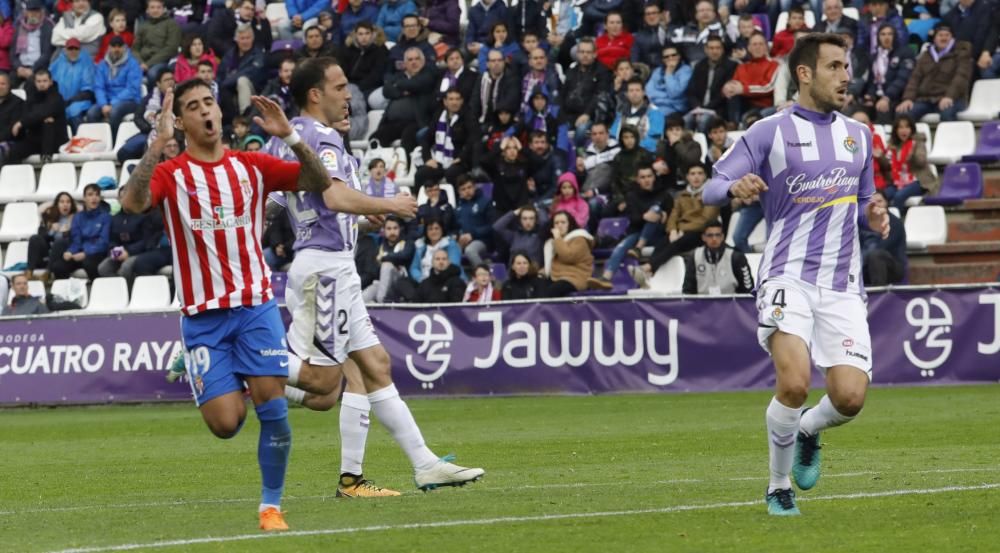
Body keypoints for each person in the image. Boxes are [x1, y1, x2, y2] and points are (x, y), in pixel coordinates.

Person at [258, 58, 482, 496]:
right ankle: (235, 362)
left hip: (331, 261)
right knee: (324, 384)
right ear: (315, 95)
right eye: (340, 87)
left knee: (372, 366)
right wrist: (388, 205)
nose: (349, 95)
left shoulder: (292, 142)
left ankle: (408, 467)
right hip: (325, 270)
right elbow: (334, 195)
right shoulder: (319, 140)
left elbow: (295, 208)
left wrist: (360, 223)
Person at [122, 76, 338, 531]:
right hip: (202, 319)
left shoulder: (252, 166)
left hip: (254, 305)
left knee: (274, 413)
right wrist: (156, 144)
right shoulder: (171, 174)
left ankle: (270, 507)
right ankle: (254, 377)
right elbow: (132, 202)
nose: (205, 111)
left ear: (220, 112)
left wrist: (291, 137)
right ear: (181, 122)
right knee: (225, 425)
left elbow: (319, 181)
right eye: (194, 107)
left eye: (210, 103)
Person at [702, 33, 890, 515]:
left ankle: (807, 429)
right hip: (788, 275)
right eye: (834, 67)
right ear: (804, 73)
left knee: (849, 398)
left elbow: (868, 197)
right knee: (794, 382)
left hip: (843, 283)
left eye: (847, 66)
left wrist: (875, 212)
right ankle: (778, 485)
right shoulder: (770, 131)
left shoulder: (858, 135)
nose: (846, 76)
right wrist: (734, 186)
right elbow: (709, 187)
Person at [631, 162, 719, 287]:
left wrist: (681, 230)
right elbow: (673, 215)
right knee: (662, 243)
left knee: (678, 243)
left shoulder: (711, 194)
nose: (696, 177)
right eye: (692, 174)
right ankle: (649, 276)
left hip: (701, 233)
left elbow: (706, 220)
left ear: (705, 176)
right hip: (681, 232)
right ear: (687, 177)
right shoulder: (681, 195)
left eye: (700, 173)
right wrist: (672, 230)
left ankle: (647, 268)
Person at [601, 165, 671, 282]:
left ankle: (639, 248)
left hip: (658, 234)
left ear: (654, 177)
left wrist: (662, 215)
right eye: (643, 177)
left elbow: (671, 215)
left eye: (649, 176)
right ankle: (606, 277)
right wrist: (645, 217)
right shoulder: (632, 196)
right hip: (638, 233)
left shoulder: (664, 195)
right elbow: (634, 219)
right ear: (638, 180)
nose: (646, 180)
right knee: (621, 246)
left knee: (655, 209)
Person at [896, 21, 972, 123]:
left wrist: (949, 96)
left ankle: (950, 138)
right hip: (926, 100)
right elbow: (915, 78)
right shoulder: (926, 55)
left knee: (947, 113)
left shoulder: (961, 53)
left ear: (952, 38)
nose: (943, 38)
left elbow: (961, 77)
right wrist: (908, 99)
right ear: (935, 38)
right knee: (903, 114)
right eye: (940, 35)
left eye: (947, 35)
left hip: (953, 98)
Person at [5, 69, 68, 164]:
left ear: (50, 82)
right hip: (35, 138)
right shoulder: (31, 97)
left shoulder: (57, 98)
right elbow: (28, 114)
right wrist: (37, 118)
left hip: (55, 141)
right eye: (39, 81)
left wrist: (22, 122)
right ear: (35, 82)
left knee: (48, 124)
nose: (41, 84)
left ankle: (47, 159)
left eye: (44, 81)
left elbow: (43, 112)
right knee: (14, 151)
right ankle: (17, 177)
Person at [50, 183, 111, 280]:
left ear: (100, 198)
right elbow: (76, 240)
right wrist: (70, 251)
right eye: (90, 195)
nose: (94, 198)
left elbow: (103, 243)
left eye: (97, 195)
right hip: (79, 253)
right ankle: (66, 293)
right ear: (84, 198)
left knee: (88, 263)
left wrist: (86, 253)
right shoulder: (78, 217)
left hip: (97, 253)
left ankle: (95, 291)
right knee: (58, 267)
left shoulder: (106, 217)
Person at [415, 88, 473, 188]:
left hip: (459, 161)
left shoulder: (468, 117)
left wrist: (461, 157)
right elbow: (426, 138)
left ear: (462, 101)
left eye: (457, 99)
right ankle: (416, 200)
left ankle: (458, 202)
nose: (454, 102)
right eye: (451, 99)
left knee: (452, 173)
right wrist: (428, 158)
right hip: (439, 160)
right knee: (421, 174)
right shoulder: (439, 115)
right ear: (445, 102)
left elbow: (473, 140)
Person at [88, 36, 142, 139]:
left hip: (130, 101)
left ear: (124, 47)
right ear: (109, 47)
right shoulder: (102, 65)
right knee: (91, 113)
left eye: (119, 46)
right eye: (113, 46)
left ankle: (114, 142)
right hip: (107, 101)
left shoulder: (133, 64)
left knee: (115, 111)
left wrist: (112, 103)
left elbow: (132, 89)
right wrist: (103, 104)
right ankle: (98, 142)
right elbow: (99, 87)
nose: (116, 49)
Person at [858, 24, 914, 125]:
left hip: (895, 98)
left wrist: (887, 97)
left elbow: (902, 79)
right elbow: (872, 80)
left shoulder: (905, 53)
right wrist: (870, 96)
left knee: (882, 109)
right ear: (878, 37)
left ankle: (882, 140)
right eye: (883, 34)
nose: (886, 37)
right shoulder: (874, 56)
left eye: (890, 34)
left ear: (895, 36)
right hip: (877, 97)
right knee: (858, 112)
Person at [681, 221, 754, 294]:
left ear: (722, 237)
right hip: (702, 303)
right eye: (710, 235)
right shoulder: (694, 256)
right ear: (703, 237)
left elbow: (748, 290)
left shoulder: (736, 257)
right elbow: (688, 290)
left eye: (717, 235)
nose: (714, 239)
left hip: (730, 303)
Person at [723, 31, 778, 127]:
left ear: (766, 47)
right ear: (748, 48)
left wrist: (743, 89)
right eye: (754, 44)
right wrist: (727, 88)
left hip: (763, 106)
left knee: (748, 116)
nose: (758, 47)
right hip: (743, 104)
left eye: (761, 44)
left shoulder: (774, 65)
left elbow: (768, 87)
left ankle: (735, 125)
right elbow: (734, 85)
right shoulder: (741, 67)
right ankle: (733, 125)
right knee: (732, 96)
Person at [684, 35, 737, 133]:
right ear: (706, 50)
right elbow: (690, 91)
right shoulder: (699, 66)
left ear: (722, 50)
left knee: (704, 121)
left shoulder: (731, 66)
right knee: (685, 120)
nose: (714, 51)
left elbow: (724, 94)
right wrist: (698, 107)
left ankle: (704, 147)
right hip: (698, 108)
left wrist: (705, 109)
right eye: (711, 48)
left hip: (718, 109)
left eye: (718, 48)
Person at [886, 114, 938, 212]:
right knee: (884, 195)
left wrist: (912, 155)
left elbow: (921, 162)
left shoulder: (918, 143)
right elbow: (888, 166)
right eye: (900, 127)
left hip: (918, 181)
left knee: (899, 196)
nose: (904, 130)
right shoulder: (893, 146)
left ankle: (896, 224)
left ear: (912, 129)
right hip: (898, 182)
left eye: (907, 127)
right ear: (896, 130)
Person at [98, 187, 150, 282]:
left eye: (128, 197)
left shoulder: (143, 216)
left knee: (126, 267)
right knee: (103, 268)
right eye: (122, 197)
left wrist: (129, 251)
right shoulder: (115, 218)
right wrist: (114, 250)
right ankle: (118, 290)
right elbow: (112, 239)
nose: (125, 200)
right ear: (118, 200)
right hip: (120, 253)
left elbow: (146, 240)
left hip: (138, 253)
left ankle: (128, 292)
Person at [542, 210, 598, 296]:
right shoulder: (552, 242)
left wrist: (557, 238)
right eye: (556, 223)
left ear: (569, 224)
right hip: (558, 277)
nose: (559, 225)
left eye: (563, 222)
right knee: (538, 285)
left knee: (553, 290)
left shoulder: (579, 238)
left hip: (576, 277)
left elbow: (568, 257)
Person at [218, 24, 267, 123]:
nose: (245, 41)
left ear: (252, 38)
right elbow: (220, 73)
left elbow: (250, 73)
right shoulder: (230, 54)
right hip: (229, 91)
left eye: (248, 38)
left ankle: (245, 118)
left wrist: (226, 82)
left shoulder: (258, 55)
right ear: (236, 39)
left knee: (242, 81)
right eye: (242, 38)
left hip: (254, 93)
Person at [362, 215, 414, 303]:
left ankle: (381, 300)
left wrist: (384, 258)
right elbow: (373, 269)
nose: (392, 232)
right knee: (364, 297)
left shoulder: (407, 243)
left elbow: (404, 256)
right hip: (381, 282)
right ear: (384, 230)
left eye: (395, 228)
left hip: (400, 282)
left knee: (386, 266)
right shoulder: (380, 246)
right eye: (389, 229)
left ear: (400, 229)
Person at [860, 190, 907, 285]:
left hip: (892, 267)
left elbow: (882, 247)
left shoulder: (895, 223)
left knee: (875, 255)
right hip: (865, 266)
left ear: (886, 203)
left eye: (879, 201)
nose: (876, 204)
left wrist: (860, 262)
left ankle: (878, 295)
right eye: (872, 202)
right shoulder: (862, 224)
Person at [131, 0, 181, 86]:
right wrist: (141, 63)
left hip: (163, 62)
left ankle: (152, 98)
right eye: (152, 7)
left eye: (158, 7)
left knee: (152, 74)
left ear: (163, 9)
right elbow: (135, 49)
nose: (155, 10)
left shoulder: (171, 24)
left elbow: (171, 49)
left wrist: (148, 64)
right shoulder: (143, 26)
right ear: (148, 10)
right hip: (142, 61)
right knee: (126, 73)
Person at [49, 37, 94, 131]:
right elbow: (49, 81)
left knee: (74, 112)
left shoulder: (87, 63)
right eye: (70, 48)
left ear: (80, 49)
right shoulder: (58, 62)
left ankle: (80, 137)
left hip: (79, 101)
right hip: (60, 100)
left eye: (76, 48)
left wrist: (70, 101)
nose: (73, 51)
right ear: (65, 49)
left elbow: (88, 90)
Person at [27, 191, 77, 275]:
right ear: (57, 204)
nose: (65, 205)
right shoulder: (49, 217)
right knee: (34, 238)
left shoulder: (77, 219)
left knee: (60, 241)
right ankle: (29, 272)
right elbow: (41, 237)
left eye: (68, 202)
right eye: (62, 202)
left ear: (71, 205)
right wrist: (52, 231)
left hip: (63, 256)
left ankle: (48, 273)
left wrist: (67, 231)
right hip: (46, 255)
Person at [10, 0, 54, 86]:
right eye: (30, 11)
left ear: (41, 12)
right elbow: (12, 52)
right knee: (8, 84)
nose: (33, 14)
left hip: (38, 68)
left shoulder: (47, 27)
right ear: (26, 12)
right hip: (20, 67)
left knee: (31, 86)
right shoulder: (19, 26)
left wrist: (33, 69)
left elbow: (47, 53)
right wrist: (18, 67)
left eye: (36, 11)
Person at [454, 176, 495, 267]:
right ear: (459, 192)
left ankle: (483, 274)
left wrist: (472, 235)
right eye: (463, 189)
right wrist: (458, 236)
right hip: (463, 241)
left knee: (470, 250)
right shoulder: (458, 207)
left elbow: (492, 226)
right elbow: (455, 226)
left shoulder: (485, 202)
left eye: (469, 187)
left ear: (475, 187)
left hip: (483, 240)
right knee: (451, 250)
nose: (467, 191)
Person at [645, 44, 692, 117]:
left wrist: (669, 73)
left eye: (674, 55)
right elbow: (649, 92)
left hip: (676, 109)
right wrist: (666, 97)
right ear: (663, 60)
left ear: (679, 56)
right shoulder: (658, 71)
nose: (670, 58)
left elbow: (674, 93)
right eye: (666, 57)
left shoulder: (686, 71)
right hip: (656, 107)